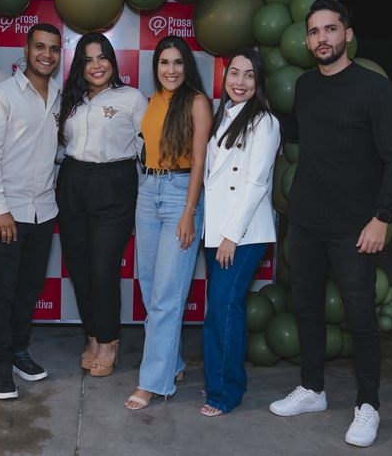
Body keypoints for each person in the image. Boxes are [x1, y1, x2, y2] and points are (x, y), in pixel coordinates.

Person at [268, 0, 392, 447]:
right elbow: (305, 136)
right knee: (306, 307)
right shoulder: (306, 86)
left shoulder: (374, 88)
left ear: (347, 34)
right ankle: (312, 389)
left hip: (355, 226)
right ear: (307, 40)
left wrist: (381, 217)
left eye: (330, 29)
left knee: (361, 317)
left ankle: (368, 405)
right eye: (314, 31)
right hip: (306, 221)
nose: (321, 38)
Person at [0, 23, 62, 400]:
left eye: (54, 49)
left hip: (44, 209)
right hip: (7, 211)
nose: (46, 54)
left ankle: (17, 350)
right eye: (40, 46)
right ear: (26, 50)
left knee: (28, 288)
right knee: (2, 291)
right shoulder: (0, 96)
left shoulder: (59, 96)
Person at [125, 36, 211, 410]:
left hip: (180, 194)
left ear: (186, 66)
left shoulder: (197, 102)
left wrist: (189, 210)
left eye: (177, 62)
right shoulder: (153, 101)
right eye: (164, 62)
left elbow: (200, 160)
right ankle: (172, 364)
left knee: (165, 295)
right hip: (148, 191)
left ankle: (153, 383)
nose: (171, 70)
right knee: (150, 290)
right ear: (156, 66)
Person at [56, 33, 148, 377]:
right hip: (72, 180)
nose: (96, 65)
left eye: (102, 57)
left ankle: (109, 340)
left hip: (114, 182)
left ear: (112, 60)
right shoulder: (70, 99)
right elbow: (61, 144)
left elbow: (147, 149)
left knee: (103, 268)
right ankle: (93, 335)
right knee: (78, 267)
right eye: (88, 59)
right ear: (79, 65)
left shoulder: (132, 98)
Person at [199, 48, 280, 417]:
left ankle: (224, 392)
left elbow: (255, 185)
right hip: (216, 229)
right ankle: (220, 376)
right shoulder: (223, 115)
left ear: (259, 81)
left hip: (243, 233)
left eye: (249, 74)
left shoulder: (264, 122)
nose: (241, 81)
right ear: (225, 76)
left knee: (225, 308)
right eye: (234, 73)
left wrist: (231, 236)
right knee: (219, 309)